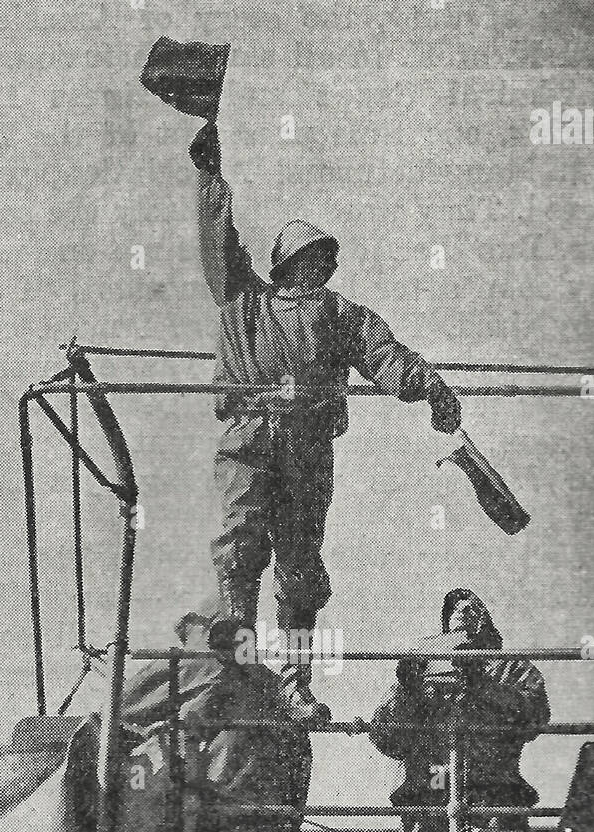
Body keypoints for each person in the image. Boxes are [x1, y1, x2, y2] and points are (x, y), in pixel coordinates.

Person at [185, 121, 461, 727]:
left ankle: (293, 681)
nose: (316, 270)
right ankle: (236, 667)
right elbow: (216, 237)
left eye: (323, 260)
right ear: (285, 263)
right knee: (239, 554)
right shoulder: (243, 300)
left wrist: (429, 387)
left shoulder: (338, 313)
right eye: (306, 259)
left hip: (307, 450)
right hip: (251, 442)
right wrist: (210, 164)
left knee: (302, 571)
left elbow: (383, 354)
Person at [122, 597, 312, 832]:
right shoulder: (199, 671)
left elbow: (299, 742)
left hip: (251, 812)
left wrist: (290, 813)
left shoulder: (261, 683)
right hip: (218, 810)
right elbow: (130, 711)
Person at [368, 589, 551, 832]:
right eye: (455, 611)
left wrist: (481, 683)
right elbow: (385, 735)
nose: (464, 616)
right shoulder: (426, 672)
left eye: (473, 609)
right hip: (431, 795)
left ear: (487, 621)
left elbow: (534, 713)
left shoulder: (509, 667)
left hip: (495, 792)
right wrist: (407, 686)